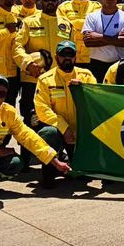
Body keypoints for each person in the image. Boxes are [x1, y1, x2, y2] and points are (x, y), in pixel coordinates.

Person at [35, 41, 97, 187]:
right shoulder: (45, 79)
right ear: (56, 57)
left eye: (71, 55)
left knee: (80, 175)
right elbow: (42, 109)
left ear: (76, 57)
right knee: (47, 133)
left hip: (81, 132)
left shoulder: (86, 76)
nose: (67, 58)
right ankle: (49, 173)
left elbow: (96, 102)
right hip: (59, 131)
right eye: (63, 55)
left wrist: (84, 90)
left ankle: (78, 165)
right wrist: (64, 128)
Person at [14, 0, 71, 124]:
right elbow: (17, 46)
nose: (49, 2)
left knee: (57, 121)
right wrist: (28, 64)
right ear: (40, 1)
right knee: (31, 121)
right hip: (33, 79)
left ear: (58, 2)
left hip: (57, 80)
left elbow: (72, 53)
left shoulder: (67, 24)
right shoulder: (28, 22)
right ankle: (27, 146)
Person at [82, 0, 124, 82]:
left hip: (119, 65)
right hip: (96, 65)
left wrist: (98, 37)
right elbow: (88, 42)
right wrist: (116, 38)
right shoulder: (92, 17)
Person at [58, 0, 101, 70]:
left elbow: (98, 26)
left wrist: (73, 24)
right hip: (70, 56)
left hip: (91, 57)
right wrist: (86, 24)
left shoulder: (97, 7)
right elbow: (62, 28)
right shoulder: (63, 7)